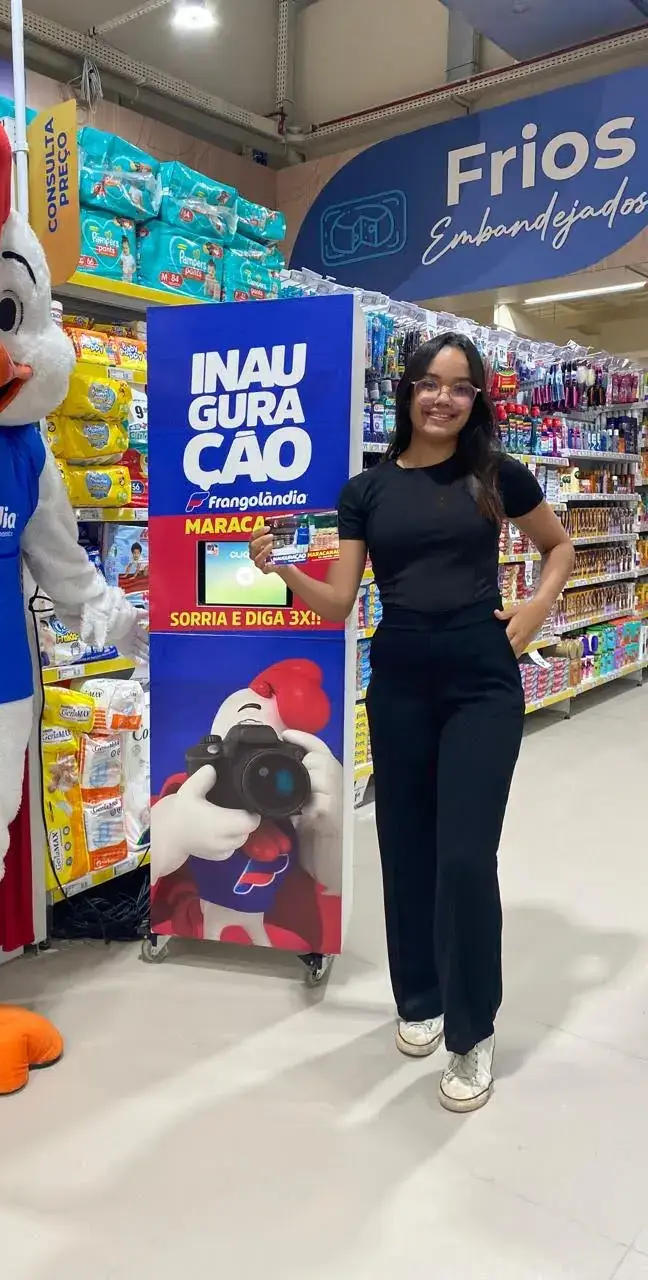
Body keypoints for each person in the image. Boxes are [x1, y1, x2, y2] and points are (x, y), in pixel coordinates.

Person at [249, 333, 574, 1112]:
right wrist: (280, 568)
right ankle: (419, 995)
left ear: (476, 401)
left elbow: (558, 547)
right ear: (407, 391)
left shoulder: (496, 475)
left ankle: (472, 1031)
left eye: (460, 388)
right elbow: (337, 602)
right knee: (406, 847)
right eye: (430, 383)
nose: (442, 399)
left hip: (480, 683)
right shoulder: (367, 490)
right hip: (397, 681)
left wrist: (535, 608)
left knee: (465, 856)